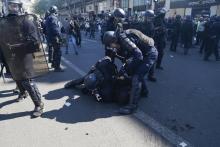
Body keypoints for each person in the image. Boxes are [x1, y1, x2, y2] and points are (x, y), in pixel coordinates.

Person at [0, 0, 47, 117]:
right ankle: (23, 93)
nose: (12, 8)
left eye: (15, 6)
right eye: (10, 5)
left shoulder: (26, 22)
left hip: (24, 56)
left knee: (27, 81)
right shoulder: (3, 23)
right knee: (16, 77)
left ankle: (38, 104)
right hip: (10, 57)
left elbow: (34, 41)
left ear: (19, 7)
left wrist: (16, 47)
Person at [45, 5, 64, 72]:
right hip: (55, 37)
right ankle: (57, 67)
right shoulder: (53, 18)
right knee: (58, 52)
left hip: (50, 37)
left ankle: (53, 64)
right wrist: (60, 37)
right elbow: (55, 29)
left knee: (55, 51)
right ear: (55, 10)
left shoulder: (48, 18)